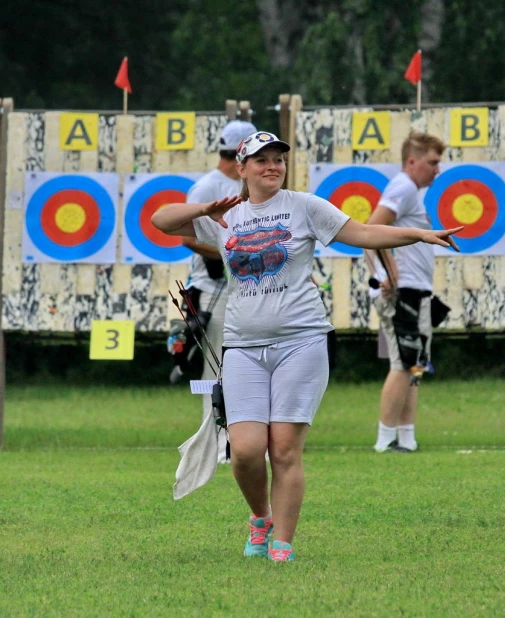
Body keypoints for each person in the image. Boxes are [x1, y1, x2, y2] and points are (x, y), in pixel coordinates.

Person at [152, 130, 461, 562]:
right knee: (243, 451)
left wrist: (419, 236)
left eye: (278, 158)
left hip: (301, 342)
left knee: (283, 449)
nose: (272, 166)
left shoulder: (304, 206)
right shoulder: (225, 215)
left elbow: (365, 233)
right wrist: (206, 209)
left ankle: (282, 545)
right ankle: (261, 519)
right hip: (242, 346)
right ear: (242, 169)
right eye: (261, 160)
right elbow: (161, 220)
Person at [175, 119, 256, 464]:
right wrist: (232, 254)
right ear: (240, 151)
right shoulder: (209, 187)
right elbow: (186, 237)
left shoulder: (245, 185)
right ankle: (219, 443)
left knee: (241, 366)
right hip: (212, 289)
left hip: (241, 290)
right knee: (217, 370)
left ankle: (235, 440)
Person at [367, 131, 445, 454]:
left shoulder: (411, 191)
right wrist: (384, 274)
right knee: (402, 364)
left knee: (414, 363)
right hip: (405, 293)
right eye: (432, 162)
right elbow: (371, 230)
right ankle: (385, 441)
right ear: (412, 162)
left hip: (416, 291)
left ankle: (407, 438)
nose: (437, 170)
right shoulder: (403, 187)